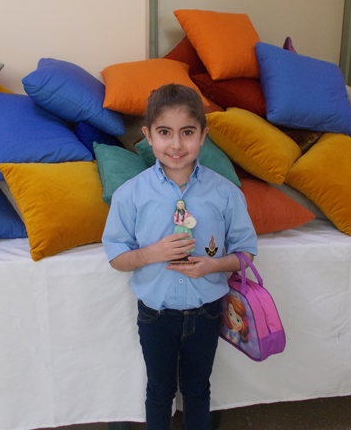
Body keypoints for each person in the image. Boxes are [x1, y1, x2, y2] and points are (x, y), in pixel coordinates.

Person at [102, 83, 257, 429]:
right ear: (148, 135)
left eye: (187, 132)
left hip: (206, 312)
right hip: (155, 315)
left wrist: (215, 265)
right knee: (159, 391)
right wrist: (152, 253)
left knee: (198, 390)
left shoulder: (225, 193)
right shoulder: (130, 195)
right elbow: (116, 257)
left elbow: (246, 253)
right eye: (164, 132)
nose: (176, 145)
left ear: (203, 135)